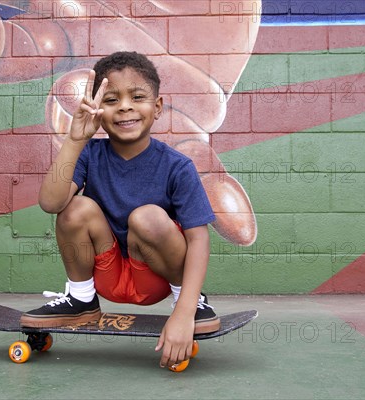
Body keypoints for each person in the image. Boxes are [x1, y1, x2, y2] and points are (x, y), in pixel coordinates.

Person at [21, 51, 219, 368]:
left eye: (137, 97)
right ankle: (81, 300)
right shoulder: (89, 153)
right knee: (75, 208)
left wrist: (184, 313)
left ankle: (190, 300)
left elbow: (199, 239)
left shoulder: (177, 166)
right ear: (99, 110)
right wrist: (74, 140)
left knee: (147, 217)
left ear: (157, 107)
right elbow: (51, 203)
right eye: (112, 99)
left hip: (156, 275)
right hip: (107, 273)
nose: (125, 105)